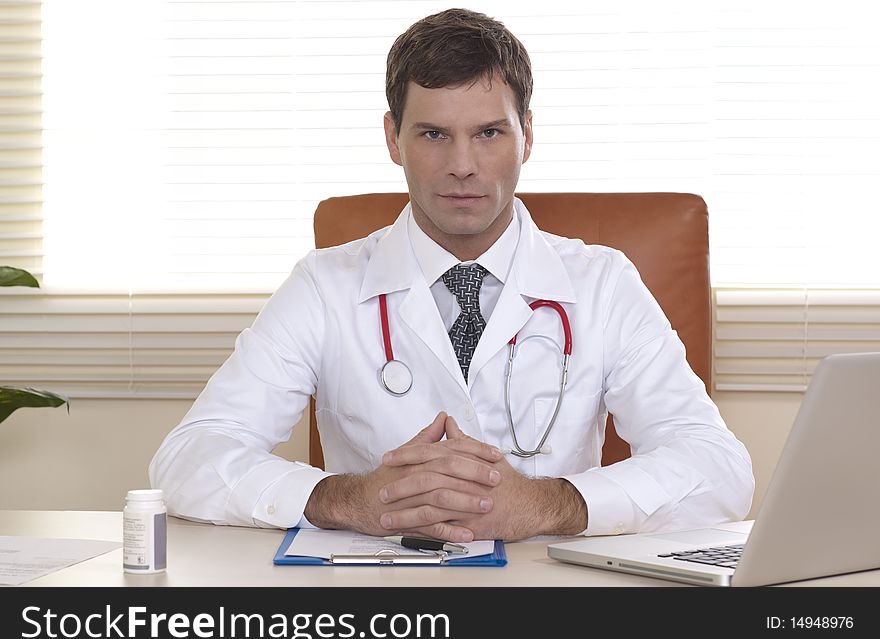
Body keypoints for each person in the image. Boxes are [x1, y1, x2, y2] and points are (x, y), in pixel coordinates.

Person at [149, 8, 754, 543]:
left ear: (528, 136)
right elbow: (188, 458)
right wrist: (351, 499)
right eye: (433, 134)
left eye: (489, 133)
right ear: (393, 138)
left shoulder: (602, 284)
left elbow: (719, 469)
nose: (462, 166)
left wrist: (549, 504)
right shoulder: (324, 285)